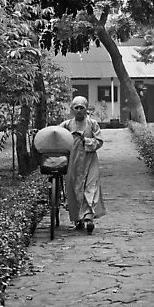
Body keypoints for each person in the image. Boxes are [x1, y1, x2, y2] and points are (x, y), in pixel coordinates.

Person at [60, 96, 106, 234]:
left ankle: (89, 218)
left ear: (86, 109)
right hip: (72, 162)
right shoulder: (66, 125)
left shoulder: (92, 124)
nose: (79, 110)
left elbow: (99, 141)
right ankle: (77, 219)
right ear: (72, 109)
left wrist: (85, 140)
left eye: (82, 107)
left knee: (91, 187)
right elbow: (57, 136)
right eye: (76, 107)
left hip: (89, 160)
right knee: (74, 189)